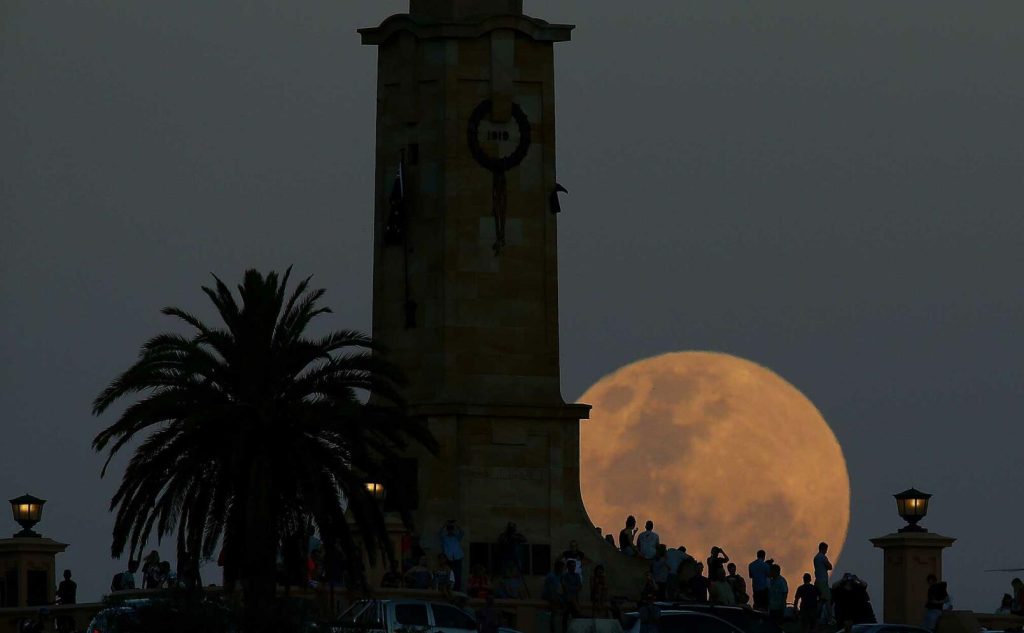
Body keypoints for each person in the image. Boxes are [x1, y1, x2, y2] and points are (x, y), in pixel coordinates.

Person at [440, 520, 465, 591]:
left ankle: (457, 590)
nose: (450, 531)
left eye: (451, 529)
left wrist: (456, 525)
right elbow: (439, 533)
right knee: (449, 575)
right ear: (447, 530)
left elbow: (462, 532)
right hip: (449, 558)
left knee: (457, 575)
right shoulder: (444, 538)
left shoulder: (456, 537)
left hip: (457, 558)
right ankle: (450, 589)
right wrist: (445, 525)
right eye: (449, 529)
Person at [542, 560, 565, 633]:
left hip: (556, 595)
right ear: (557, 567)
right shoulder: (551, 576)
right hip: (548, 595)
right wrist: (558, 599)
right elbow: (551, 591)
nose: (562, 569)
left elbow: (563, 588)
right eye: (561, 568)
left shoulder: (561, 576)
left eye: (562, 568)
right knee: (554, 612)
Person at [814, 543, 834, 624]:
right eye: (826, 549)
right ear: (823, 548)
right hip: (823, 581)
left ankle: (816, 617)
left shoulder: (816, 557)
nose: (826, 551)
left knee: (821, 600)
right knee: (828, 599)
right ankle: (830, 619)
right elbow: (830, 566)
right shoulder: (822, 557)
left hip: (817, 580)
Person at [562, 559, 583, 631]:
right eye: (572, 566)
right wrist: (574, 588)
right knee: (566, 617)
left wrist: (571, 588)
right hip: (567, 599)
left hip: (575, 598)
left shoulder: (577, 576)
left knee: (575, 616)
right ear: (568, 567)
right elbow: (565, 587)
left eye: (574, 566)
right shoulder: (565, 576)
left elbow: (580, 586)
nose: (574, 567)